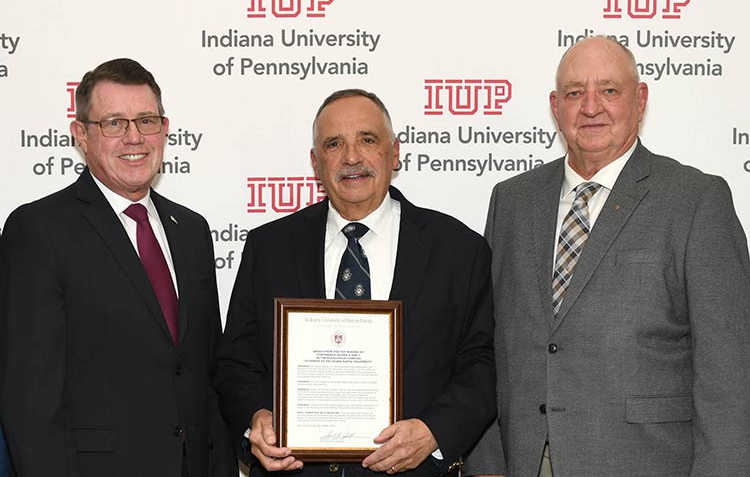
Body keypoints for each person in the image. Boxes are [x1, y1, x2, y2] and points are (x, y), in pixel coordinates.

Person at [465, 36, 750, 477]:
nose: (591, 107)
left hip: (646, 462)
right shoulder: (512, 202)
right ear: (556, 107)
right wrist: (485, 463)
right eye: (576, 93)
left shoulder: (695, 201)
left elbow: (729, 373)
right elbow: (489, 347)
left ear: (640, 100)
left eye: (609, 90)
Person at [214, 89, 496, 477]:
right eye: (334, 144)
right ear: (316, 162)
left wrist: (435, 432)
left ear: (394, 153)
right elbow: (235, 363)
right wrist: (256, 418)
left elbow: (483, 363)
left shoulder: (459, 250)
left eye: (367, 139)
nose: (351, 157)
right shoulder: (269, 247)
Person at [0, 58, 236, 477]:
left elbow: (205, 375)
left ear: (165, 129)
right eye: (113, 123)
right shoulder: (37, 230)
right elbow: (30, 401)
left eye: (146, 121)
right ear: (81, 136)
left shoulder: (192, 231)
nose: (134, 137)